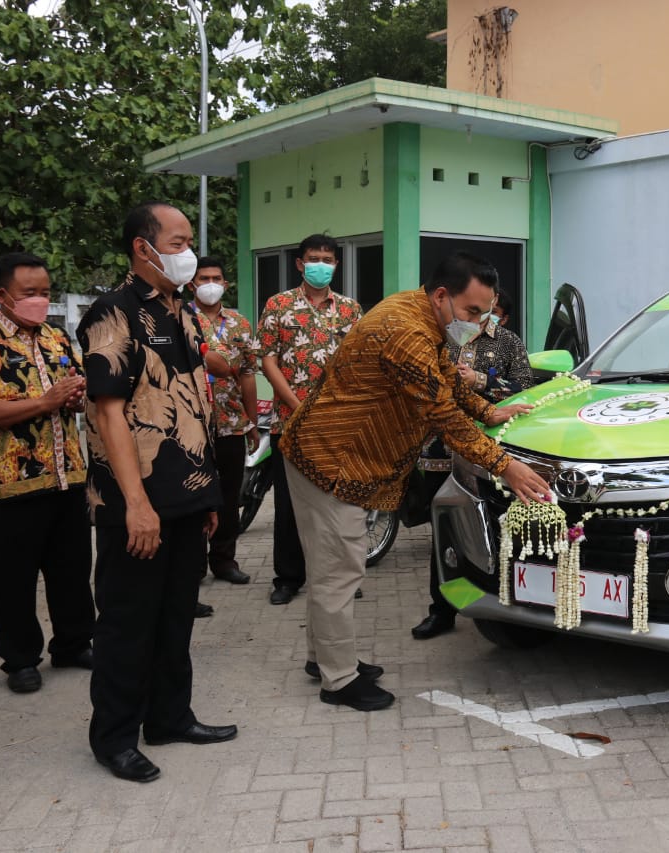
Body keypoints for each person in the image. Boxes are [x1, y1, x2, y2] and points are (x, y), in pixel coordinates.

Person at [279, 251, 552, 711]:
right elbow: (442, 412)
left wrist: (489, 412)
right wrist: (505, 466)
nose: (477, 323)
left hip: (341, 457)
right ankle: (338, 680)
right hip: (330, 462)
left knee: (332, 568)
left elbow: (446, 379)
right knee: (339, 570)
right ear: (442, 295)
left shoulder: (419, 312)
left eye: (484, 314)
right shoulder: (406, 333)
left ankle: (323, 657)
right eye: (471, 312)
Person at [78, 202, 236, 784]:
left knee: (175, 618)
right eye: (178, 242)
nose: (188, 253)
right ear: (143, 248)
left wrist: (207, 496)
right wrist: (137, 504)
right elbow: (110, 414)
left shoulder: (183, 312)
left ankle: (170, 717)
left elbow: (194, 403)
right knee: (127, 624)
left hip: (187, 494)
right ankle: (114, 738)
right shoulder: (112, 314)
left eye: (189, 242)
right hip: (135, 503)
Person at [0, 253, 95, 694]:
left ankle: (73, 644)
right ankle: (20, 660)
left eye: (45, 292)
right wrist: (44, 403)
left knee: (72, 571)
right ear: (3, 296)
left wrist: (75, 399)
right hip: (10, 484)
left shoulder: (57, 337)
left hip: (67, 476)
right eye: (29, 293)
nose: (40, 300)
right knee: (14, 579)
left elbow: (76, 389)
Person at [411, 289, 535, 639]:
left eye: (491, 311)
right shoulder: (446, 335)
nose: (481, 316)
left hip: (491, 455)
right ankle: (441, 610)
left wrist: (479, 380)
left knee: (489, 528)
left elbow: (526, 389)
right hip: (438, 450)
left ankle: (501, 604)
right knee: (444, 532)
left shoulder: (509, 342)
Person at [256, 234, 361, 605]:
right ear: (300, 264)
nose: (321, 265)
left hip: (336, 425)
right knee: (289, 506)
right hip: (291, 423)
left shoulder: (350, 309)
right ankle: (288, 578)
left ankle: (341, 575)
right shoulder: (278, 305)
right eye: (314, 258)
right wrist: (297, 405)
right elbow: (267, 359)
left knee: (337, 505)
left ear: (336, 265)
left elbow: (358, 362)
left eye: (328, 260)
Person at [189, 257, 257, 587]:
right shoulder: (180, 318)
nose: (210, 284)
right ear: (192, 284)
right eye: (204, 278)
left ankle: (224, 560)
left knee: (229, 496)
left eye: (216, 278)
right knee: (194, 494)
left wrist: (252, 423)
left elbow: (247, 374)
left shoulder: (239, 323)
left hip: (231, 422)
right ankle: (192, 566)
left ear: (225, 284)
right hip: (190, 425)